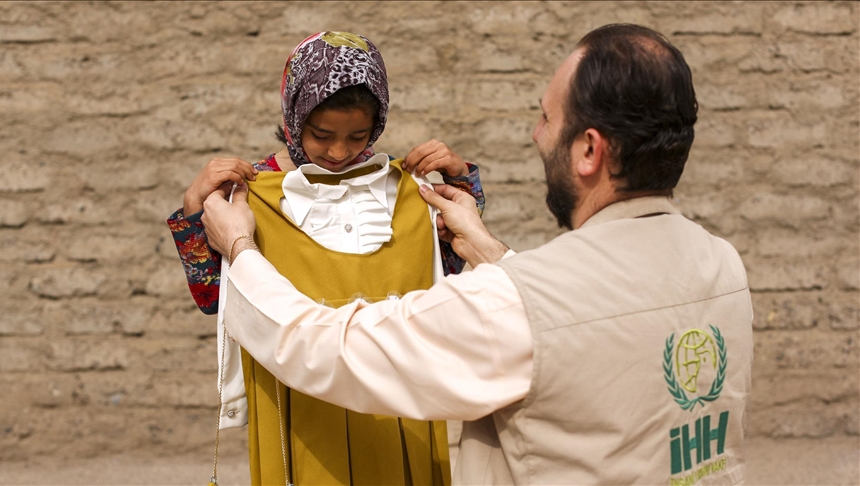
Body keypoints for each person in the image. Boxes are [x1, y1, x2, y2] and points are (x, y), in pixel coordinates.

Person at [202, 24, 753, 485]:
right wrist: (488, 248)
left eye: (546, 118)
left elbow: (328, 349)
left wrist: (241, 247)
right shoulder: (724, 267)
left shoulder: (510, 305)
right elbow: (575, 318)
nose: (537, 136)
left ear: (588, 149)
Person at [167, 32, 486, 485]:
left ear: (377, 125)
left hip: (394, 397)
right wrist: (196, 212)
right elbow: (215, 299)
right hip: (298, 400)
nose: (339, 152)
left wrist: (462, 184)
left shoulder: (403, 190)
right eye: (321, 135)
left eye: (358, 136)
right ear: (294, 118)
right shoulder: (252, 193)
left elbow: (449, 266)